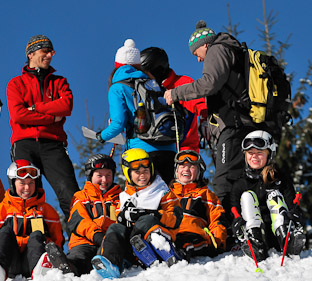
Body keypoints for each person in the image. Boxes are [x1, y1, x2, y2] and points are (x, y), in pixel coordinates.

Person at [163, 20, 266, 219]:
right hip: (244, 122)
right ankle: (246, 222)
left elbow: (209, 83)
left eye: (196, 54)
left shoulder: (217, 50)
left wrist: (176, 93)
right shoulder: (231, 50)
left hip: (234, 124)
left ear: (204, 45)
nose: (199, 61)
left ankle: (224, 226)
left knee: (223, 178)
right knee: (242, 176)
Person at [6, 34, 79, 222]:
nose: (49, 55)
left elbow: (66, 106)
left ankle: (83, 242)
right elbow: (18, 115)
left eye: (51, 52)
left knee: (70, 193)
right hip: (24, 144)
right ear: (31, 54)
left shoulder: (59, 82)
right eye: (45, 51)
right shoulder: (16, 84)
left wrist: (35, 108)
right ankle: (34, 243)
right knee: (28, 193)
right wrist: (52, 117)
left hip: (53, 145)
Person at [91, 149, 183, 279]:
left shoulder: (162, 192)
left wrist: (155, 215)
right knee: (115, 228)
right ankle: (111, 263)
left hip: (157, 238)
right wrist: (122, 217)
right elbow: (115, 219)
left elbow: (176, 217)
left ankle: (167, 254)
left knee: (146, 221)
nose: (142, 175)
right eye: (137, 172)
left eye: (145, 171)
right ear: (128, 173)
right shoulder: (123, 197)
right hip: (132, 247)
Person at [0, 160, 72, 281]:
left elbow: (57, 239)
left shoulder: (45, 210)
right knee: (5, 232)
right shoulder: (1, 210)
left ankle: (41, 272)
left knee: (37, 234)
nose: (27, 188)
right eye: (22, 183)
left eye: (31, 183)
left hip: (34, 261)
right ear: (13, 184)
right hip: (9, 262)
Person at [97, 39, 177, 184]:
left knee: (147, 200)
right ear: (138, 65)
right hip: (169, 148)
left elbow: (117, 124)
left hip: (142, 151)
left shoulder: (118, 87)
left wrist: (101, 136)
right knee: (169, 200)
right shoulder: (152, 83)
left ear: (117, 66)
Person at [229, 130, 306, 262]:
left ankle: (287, 240)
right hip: (258, 232)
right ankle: (255, 244)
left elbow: (291, 201)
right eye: (250, 153)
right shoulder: (240, 183)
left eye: (260, 153)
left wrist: (295, 213)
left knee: (273, 194)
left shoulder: (279, 178)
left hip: (277, 232)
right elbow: (234, 207)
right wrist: (237, 221)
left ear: (269, 155)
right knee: (247, 196)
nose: (254, 157)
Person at [140, 47, 207, 153]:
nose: (144, 77)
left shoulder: (182, 83)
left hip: (183, 151)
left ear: (156, 70)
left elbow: (203, 107)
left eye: (146, 74)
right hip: (152, 148)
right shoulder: (145, 90)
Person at [67, 154, 122, 275]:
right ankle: (69, 267)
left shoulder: (120, 198)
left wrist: (108, 237)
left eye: (108, 175)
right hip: (84, 241)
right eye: (99, 175)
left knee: (111, 247)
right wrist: (97, 235)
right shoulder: (81, 197)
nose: (104, 180)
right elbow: (79, 220)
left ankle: (107, 267)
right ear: (90, 176)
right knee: (79, 256)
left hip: (109, 243)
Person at [170, 150, 227, 259]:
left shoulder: (205, 194)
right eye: (182, 166)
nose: (186, 169)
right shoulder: (166, 193)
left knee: (186, 242)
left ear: (199, 172)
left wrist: (218, 242)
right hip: (170, 234)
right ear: (176, 171)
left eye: (191, 166)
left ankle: (179, 254)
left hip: (194, 235)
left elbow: (217, 218)